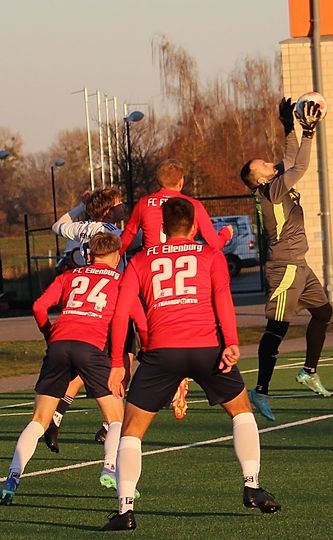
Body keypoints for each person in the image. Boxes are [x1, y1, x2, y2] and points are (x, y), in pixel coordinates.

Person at [101, 198, 279, 531]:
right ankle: (252, 486)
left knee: (131, 431)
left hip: (161, 354)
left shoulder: (140, 260)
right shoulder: (211, 255)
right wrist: (231, 343)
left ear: (162, 228)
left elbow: (120, 314)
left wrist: (116, 363)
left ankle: (125, 510)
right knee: (241, 412)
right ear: (195, 226)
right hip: (206, 349)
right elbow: (222, 299)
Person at [1, 233, 126, 505]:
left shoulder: (70, 275)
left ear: (89, 255)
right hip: (90, 346)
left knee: (38, 420)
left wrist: (50, 334)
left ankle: (12, 478)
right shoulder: (120, 279)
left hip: (60, 343)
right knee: (116, 416)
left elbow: (38, 306)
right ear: (116, 256)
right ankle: (109, 467)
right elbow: (124, 319)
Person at [119, 159, 234, 420]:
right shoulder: (190, 205)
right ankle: (180, 379)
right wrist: (226, 234)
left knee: (151, 336)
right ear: (181, 182)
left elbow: (127, 237)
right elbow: (213, 243)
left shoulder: (144, 204)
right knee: (189, 329)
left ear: (157, 181)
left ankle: (165, 381)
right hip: (186, 279)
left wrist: (110, 258)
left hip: (152, 278)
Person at [238, 97, 330, 422]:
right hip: (285, 268)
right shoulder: (269, 191)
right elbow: (300, 166)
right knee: (276, 328)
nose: (270, 163)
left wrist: (289, 127)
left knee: (324, 312)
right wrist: (309, 133)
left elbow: (289, 159)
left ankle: (308, 371)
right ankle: (260, 390)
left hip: (299, 264)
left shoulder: (273, 183)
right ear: (260, 179)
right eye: (263, 165)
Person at [46, 187, 130, 452]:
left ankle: (57, 413)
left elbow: (57, 225)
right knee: (123, 359)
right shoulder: (115, 233)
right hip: (111, 301)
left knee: (85, 366)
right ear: (108, 211)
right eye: (119, 203)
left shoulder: (81, 228)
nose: (123, 206)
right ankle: (110, 424)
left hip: (86, 301)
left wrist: (82, 207)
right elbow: (142, 239)